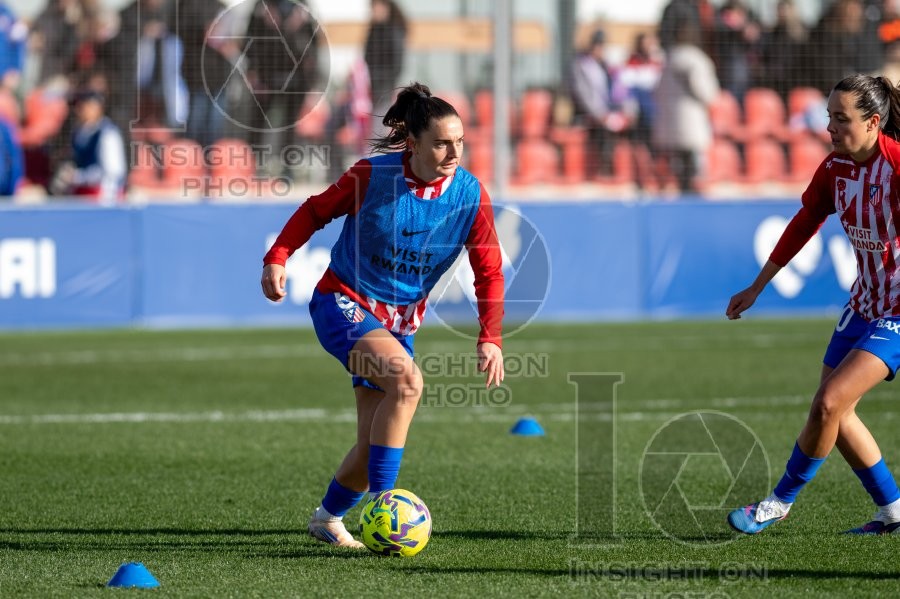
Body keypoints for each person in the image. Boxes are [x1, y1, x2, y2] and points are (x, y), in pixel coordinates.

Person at [260, 82, 505, 548]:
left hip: (397, 324)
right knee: (409, 382)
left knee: (373, 442)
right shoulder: (371, 176)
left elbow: (489, 270)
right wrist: (278, 256)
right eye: (441, 142)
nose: (454, 152)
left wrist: (489, 336)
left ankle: (328, 518)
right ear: (412, 144)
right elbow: (315, 212)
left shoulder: (471, 196)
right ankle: (387, 507)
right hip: (342, 301)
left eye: (459, 142)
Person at [727, 74, 900, 535]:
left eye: (841, 119)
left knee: (827, 404)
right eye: (829, 117)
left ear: (873, 123)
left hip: (898, 313)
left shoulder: (898, 166)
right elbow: (804, 223)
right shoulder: (834, 168)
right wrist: (757, 285)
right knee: (836, 416)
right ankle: (895, 514)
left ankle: (778, 502)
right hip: (863, 304)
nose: (831, 128)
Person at [652, 22, 719, 194]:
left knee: (678, 168)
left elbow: (657, 90)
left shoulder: (669, 58)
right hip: (691, 122)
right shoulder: (696, 59)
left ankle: (684, 193)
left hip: (671, 123)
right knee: (694, 168)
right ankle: (692, 200)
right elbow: (706, 92)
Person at [50, 90, 126, 202]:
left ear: (97, 107)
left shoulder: (107, 134)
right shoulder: (79, 132)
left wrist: (77, 177)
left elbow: (112, 172)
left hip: (103, 198)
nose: (79, 110)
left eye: (83, 106)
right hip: (82, 196)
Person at [364, 0, 407, 136]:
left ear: (385, 7)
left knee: (380, 126)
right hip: (371, 85)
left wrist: (385, 84)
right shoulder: (374, 30)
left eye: (375, 7)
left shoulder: (394, 31)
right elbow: (367, 57)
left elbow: (397, 64)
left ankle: (377, 155)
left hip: (385, 87)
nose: (373, 11)